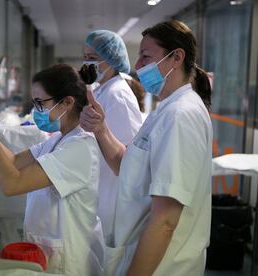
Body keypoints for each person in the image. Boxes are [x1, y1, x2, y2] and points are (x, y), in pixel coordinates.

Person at [80, 20, 212, 275]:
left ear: (176, 57)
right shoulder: (164, 110)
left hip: (163, 266)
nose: (137, 65)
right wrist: (100, 128)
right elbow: (125, 163)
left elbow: (165, 221)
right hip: (140, 254)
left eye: (145, 55)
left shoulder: (180, 116)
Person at [0, 64, 104, 275]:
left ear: (67, 102)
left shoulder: (80, 147)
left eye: (40, 103)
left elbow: (12, 184)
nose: (36, 110)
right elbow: (15, 161)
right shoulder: (59, 139)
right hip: (50, 252)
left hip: (68, 262)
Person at [79, 30, 143, 245]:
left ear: (110, 60)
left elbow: (128, 156)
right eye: (85, 57)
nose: (87, 64)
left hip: (112, 193)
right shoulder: (102, 90)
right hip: (101, 186)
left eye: (92, 58)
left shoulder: (118, 95)